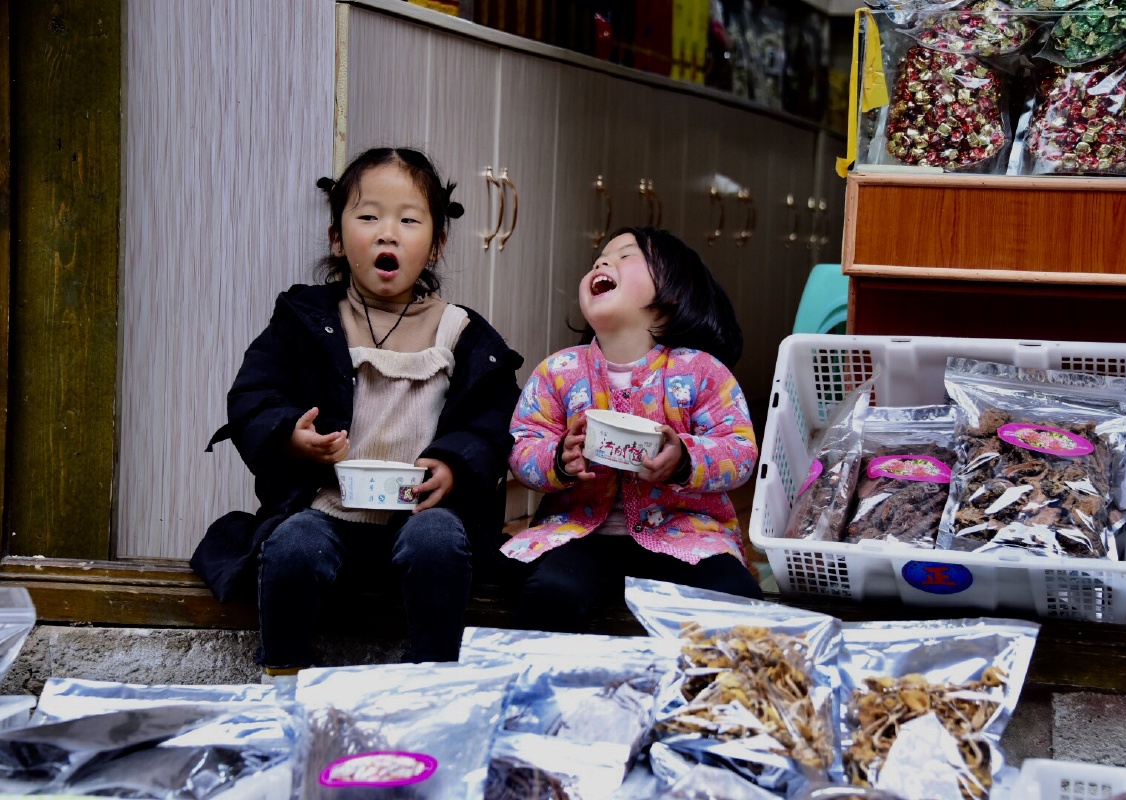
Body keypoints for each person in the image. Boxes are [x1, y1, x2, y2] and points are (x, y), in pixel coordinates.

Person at [192, 147, 522, 673]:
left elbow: (495, 420)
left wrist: (454, 464)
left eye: (408, 220)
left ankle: (431, 677)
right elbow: (254, 396)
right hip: (327, 511)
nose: (387, 232)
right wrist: (290, 436)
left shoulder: (461, 333)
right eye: (368, 217)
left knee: (439, 541)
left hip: (421, 515)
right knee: (293, 543)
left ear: (435, 245)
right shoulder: (305, 320)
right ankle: (284, 674)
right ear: (337, 238)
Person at [505, 226, 763, 632]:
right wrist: (559, 457)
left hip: (685, 535)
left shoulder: (701, 372)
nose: (604, 262)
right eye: (599, 259)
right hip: (581, 536)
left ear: (674, 293)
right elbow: (523, 446)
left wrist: (684, 458)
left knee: (736, 598)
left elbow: (740, 451)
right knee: (548, 593)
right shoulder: (559, 372)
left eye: (627, 254)